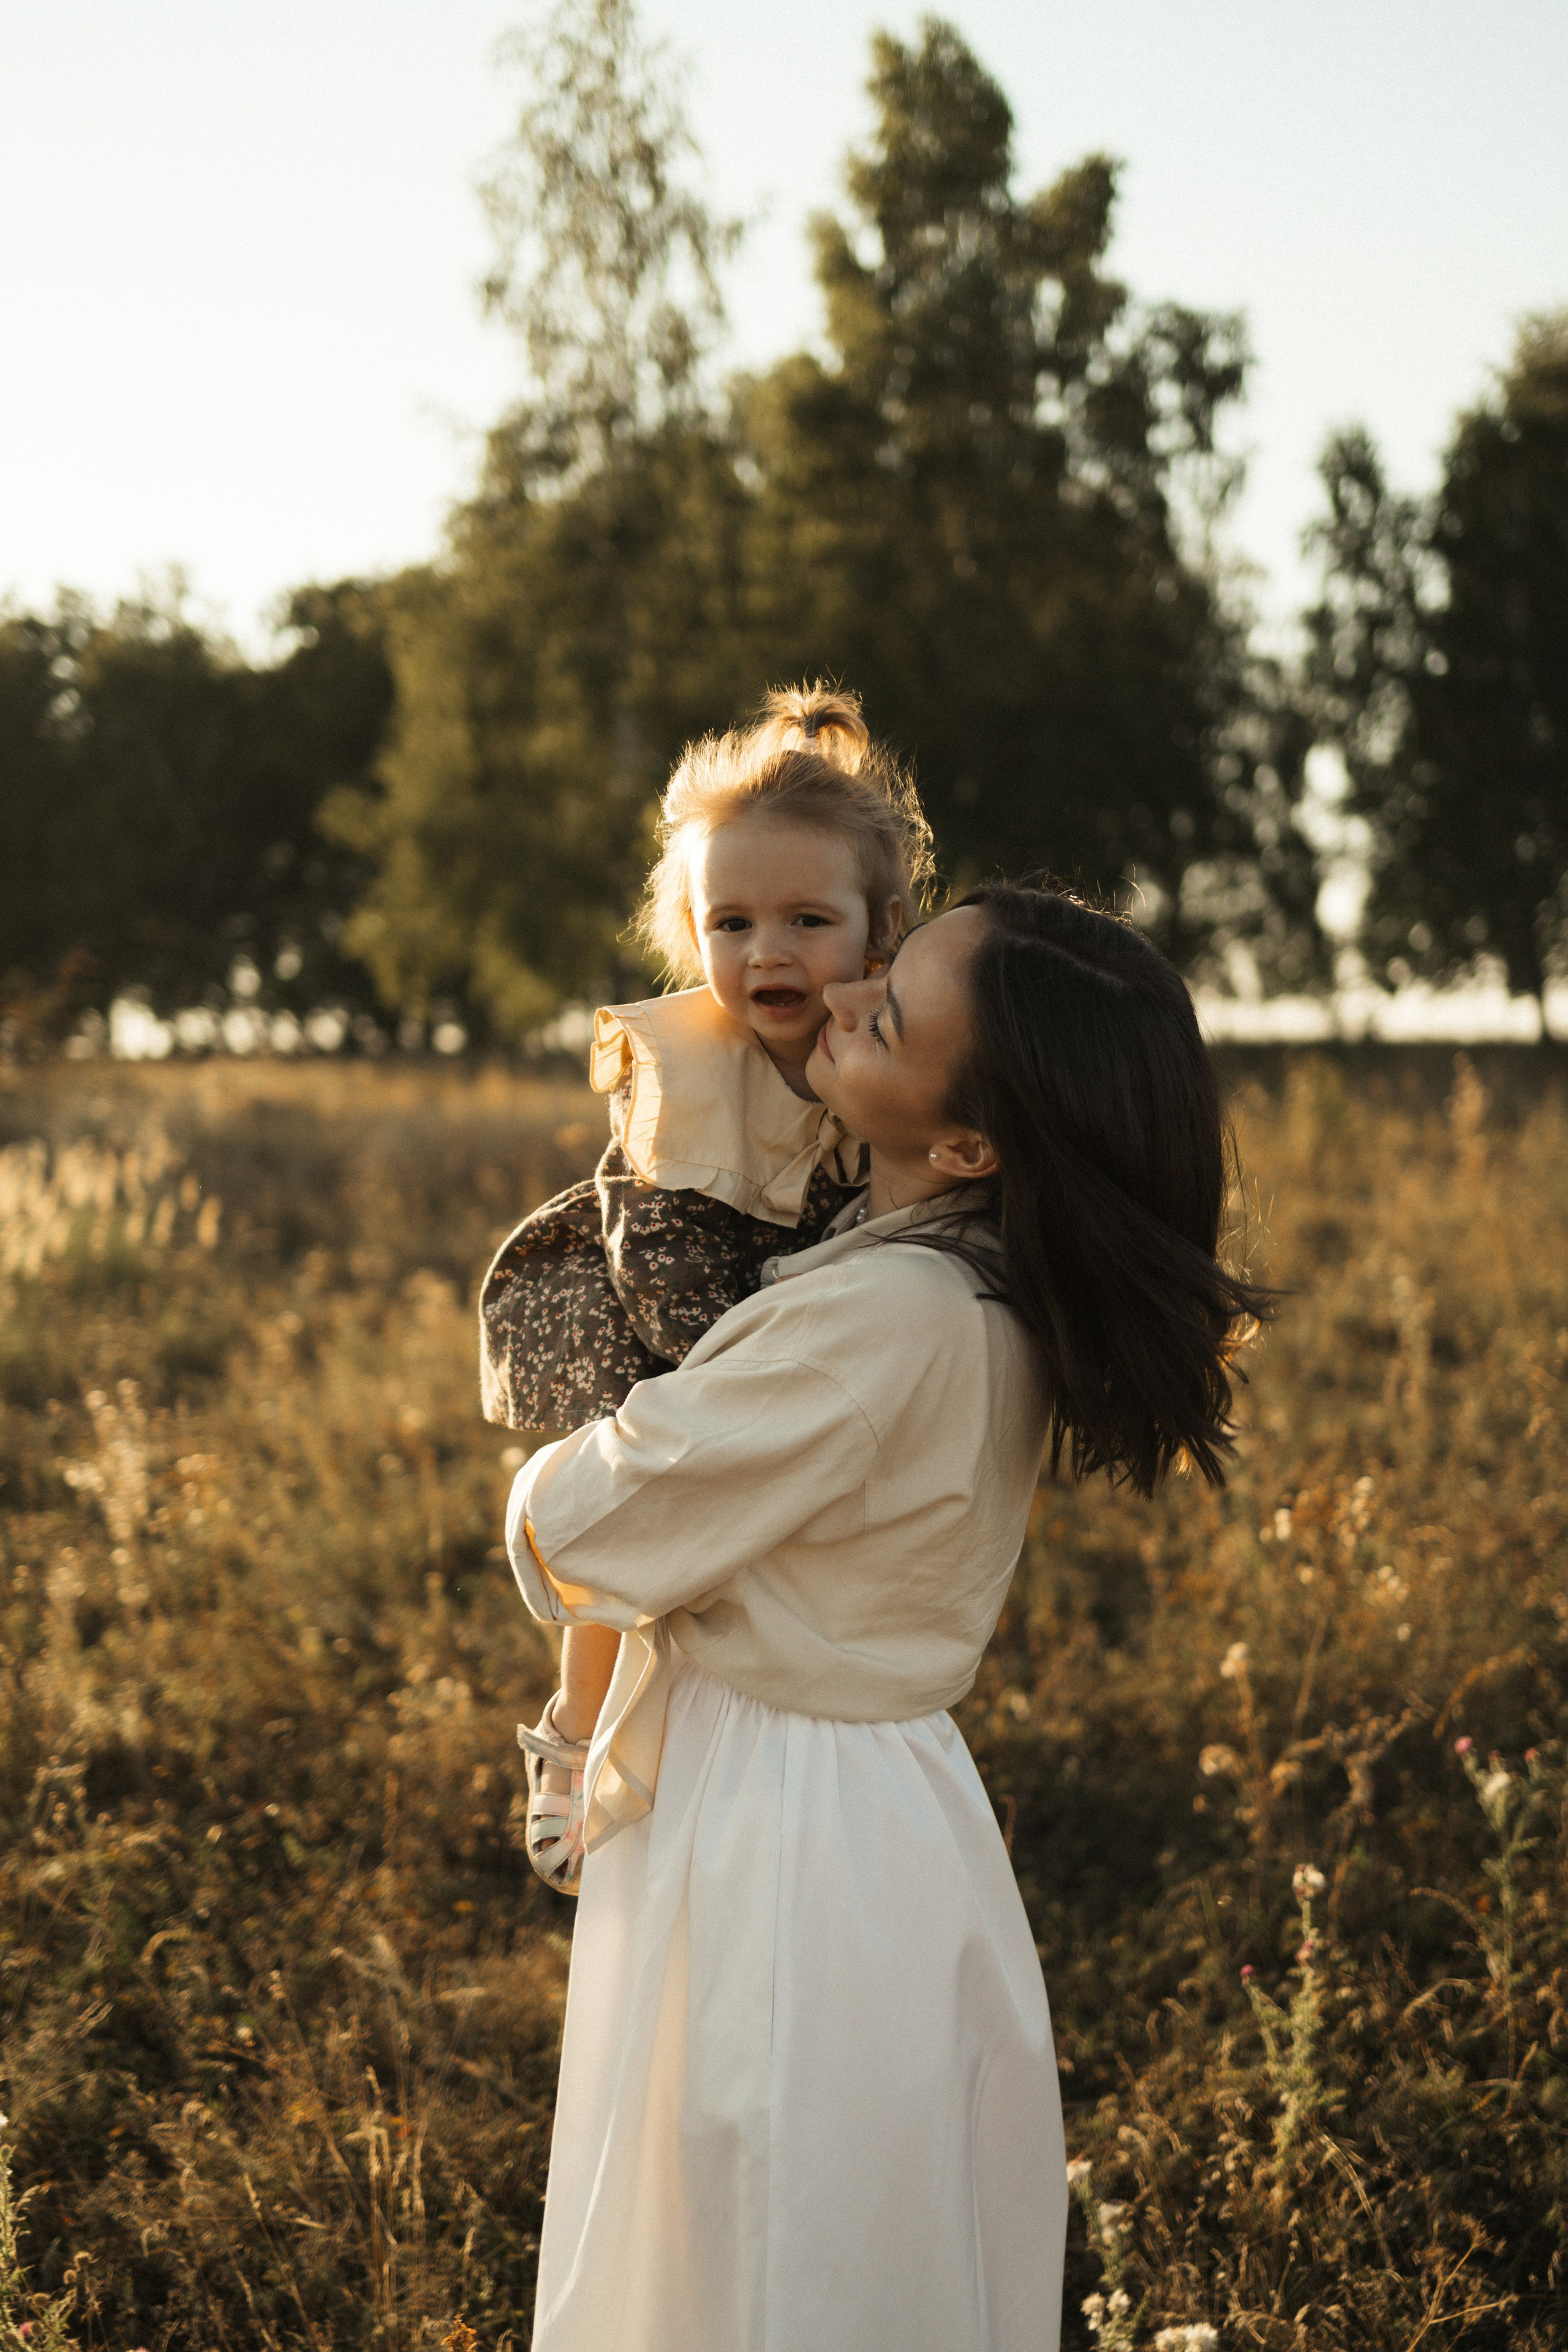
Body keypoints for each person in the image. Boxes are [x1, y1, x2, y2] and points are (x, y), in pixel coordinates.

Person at [504, 884, 1268, 2351]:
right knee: (822, 2240)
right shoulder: (959, 1279)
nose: (844, 994)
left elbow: (580, 1533)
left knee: (758, 2240)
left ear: (968, 1144)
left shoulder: (881, 1320)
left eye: (888, 1007)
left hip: (780, 1837)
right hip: (877, 1813)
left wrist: (563, 1439)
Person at [481, 684, 933, 1889]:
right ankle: (577, 1730)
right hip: (669, 1310)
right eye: (729, 924)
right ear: (690, 934)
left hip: (806, 1338)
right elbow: (661, 1246)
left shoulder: (902, 1049)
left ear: (879, 928)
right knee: (619, 1538)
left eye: (804, 920)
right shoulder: (689, 1072)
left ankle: (687, 1717)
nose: (766, 952)